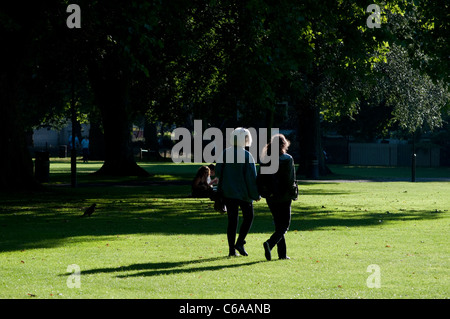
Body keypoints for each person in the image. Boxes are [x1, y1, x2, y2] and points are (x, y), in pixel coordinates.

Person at [215, 128, 260, 257]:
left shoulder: (225, 153)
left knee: (232, 221)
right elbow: (251, 178)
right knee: (249, 217)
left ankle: (231, 250)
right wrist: (255, 194)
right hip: (244, 194)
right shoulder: (247, 155)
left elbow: (218, 172)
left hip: (228, 192)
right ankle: (240, 242)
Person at [261, 134, 296, 261]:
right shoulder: (287, 159)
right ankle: (270, 243)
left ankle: (282, 254)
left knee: (279, 225)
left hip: (270, 196)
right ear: (284, 144)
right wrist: (293, 193)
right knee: (285, 225)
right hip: (284, 195)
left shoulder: (266, 159)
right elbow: (290, 179)